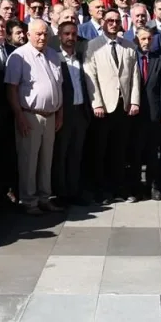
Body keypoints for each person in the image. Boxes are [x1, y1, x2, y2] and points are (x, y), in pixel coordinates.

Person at [6, 20, 66, 214]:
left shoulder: (53, 55)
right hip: (30, 115)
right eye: (38, 34)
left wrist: (59, 114)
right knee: (29, 160)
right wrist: (19, 116)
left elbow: (59, 87)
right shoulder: (19, 56)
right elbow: (12, 89)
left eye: (45, 34)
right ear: (28, 34)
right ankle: (29, 201)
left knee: (46, 161)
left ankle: (44, 197)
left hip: (51, 116)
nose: (42, 37)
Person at [84, 9, 142, 204]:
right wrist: (97, 103)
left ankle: (120, 189)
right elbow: (90, 75)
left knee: (120, 150)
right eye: (109, 20)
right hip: (103, 108)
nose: (113, 23)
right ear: (103, 22)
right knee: (101, 151)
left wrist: (134, 100)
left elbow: (135, 75)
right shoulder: (93, 46)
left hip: (123, 106)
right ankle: (102, 191)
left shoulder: (129, 46)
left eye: (117, 20)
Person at [132, 27, 161, 200]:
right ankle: (135, 187)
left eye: (149, 38)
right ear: (137, 40)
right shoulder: (131, 58)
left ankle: (154, 186)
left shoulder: (160, 60)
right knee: (135, 151)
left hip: (154, 113)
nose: (146, 42)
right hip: (135, 113)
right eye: (142, 39)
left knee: (152, 152)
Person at [54, 21, 90, 204]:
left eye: (74, 34)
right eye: (67, 34)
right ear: (60, 36)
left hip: (80, 112)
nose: (70, 38)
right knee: (62, 155)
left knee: (77, 154)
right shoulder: (54, 58)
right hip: (63, 114)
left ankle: (74, 191)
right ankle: (62, 194)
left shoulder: (82, 57)